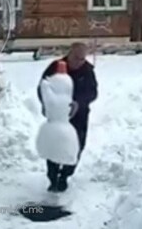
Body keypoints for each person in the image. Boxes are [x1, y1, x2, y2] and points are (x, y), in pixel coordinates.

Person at [36, 42, 98, 192]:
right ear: (69, 54)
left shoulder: (87, 71)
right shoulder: (55, 68)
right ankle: (52, 176)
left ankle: (65, 176)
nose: (79, 62)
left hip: (79, 116)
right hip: (57, 116)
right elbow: (43, 88)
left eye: (82, 59)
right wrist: (47, 105)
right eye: (76, 58)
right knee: (54, 146)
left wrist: (79, 103)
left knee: (76, 146)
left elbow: (93, 93)